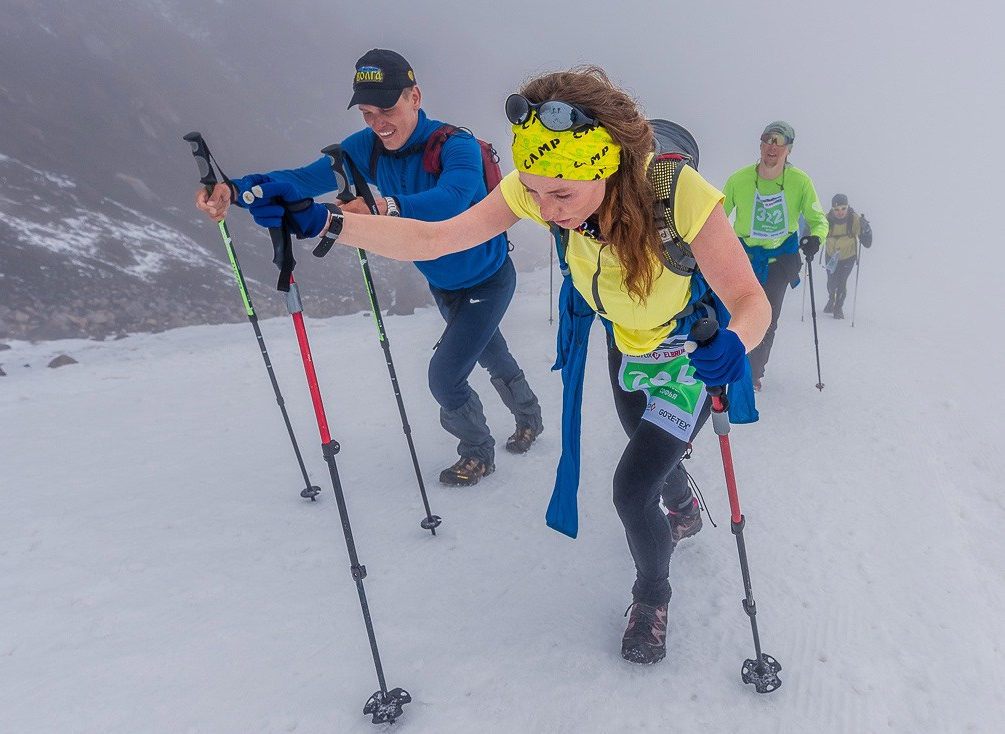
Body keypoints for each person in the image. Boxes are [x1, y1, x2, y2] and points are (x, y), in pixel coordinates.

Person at [231, 66, 772, 666]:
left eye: (561, 195)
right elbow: (437, 238)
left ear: (607, 165)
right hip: (627, 347)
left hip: (685, 362)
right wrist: (328, 222)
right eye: (535, 194)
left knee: (629, 489)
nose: (546, 209)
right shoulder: (541, 179)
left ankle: (652, 596)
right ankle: (684, 502)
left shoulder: (678, 193)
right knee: (642, 445)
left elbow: (751, 301)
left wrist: (735, 343)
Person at [196, 49, 543, 487]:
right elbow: (303, 180)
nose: (378, 123)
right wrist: (235, 188)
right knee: (490, 351)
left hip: (488, 279)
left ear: (415, 96)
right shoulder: (368, 148)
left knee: (445, 376)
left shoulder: (456, 145)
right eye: (367, 113)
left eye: (387, 109)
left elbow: (454, 198)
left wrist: (381, 207)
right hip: (442, 282)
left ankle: (477, 452)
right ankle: (531, 415)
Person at [722, 121, 828, 390]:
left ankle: (753, 374)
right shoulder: (738, 180)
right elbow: (718, 219)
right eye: (768, 140)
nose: (772, 147)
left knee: (767, 320)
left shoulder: (800, 182)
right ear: (760, 144)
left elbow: (819, 220)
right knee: (736, 315)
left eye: (779, 142)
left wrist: (816, 238)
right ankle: (731, 366)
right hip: (744, 259)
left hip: (779, 263)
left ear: (788, 150)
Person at [821, 193, 872, 319]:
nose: (840, 212)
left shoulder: (854, 219)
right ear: (832, 209)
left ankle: (838, 308)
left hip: (848, 256)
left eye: (843, 208)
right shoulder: (826, 219)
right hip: (831, 256)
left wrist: (867, 230)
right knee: (831, 283)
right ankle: (831, 299)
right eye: (837, 209)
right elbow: (817, 233)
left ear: (848, 207)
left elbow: (867, 243)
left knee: (841, 282)